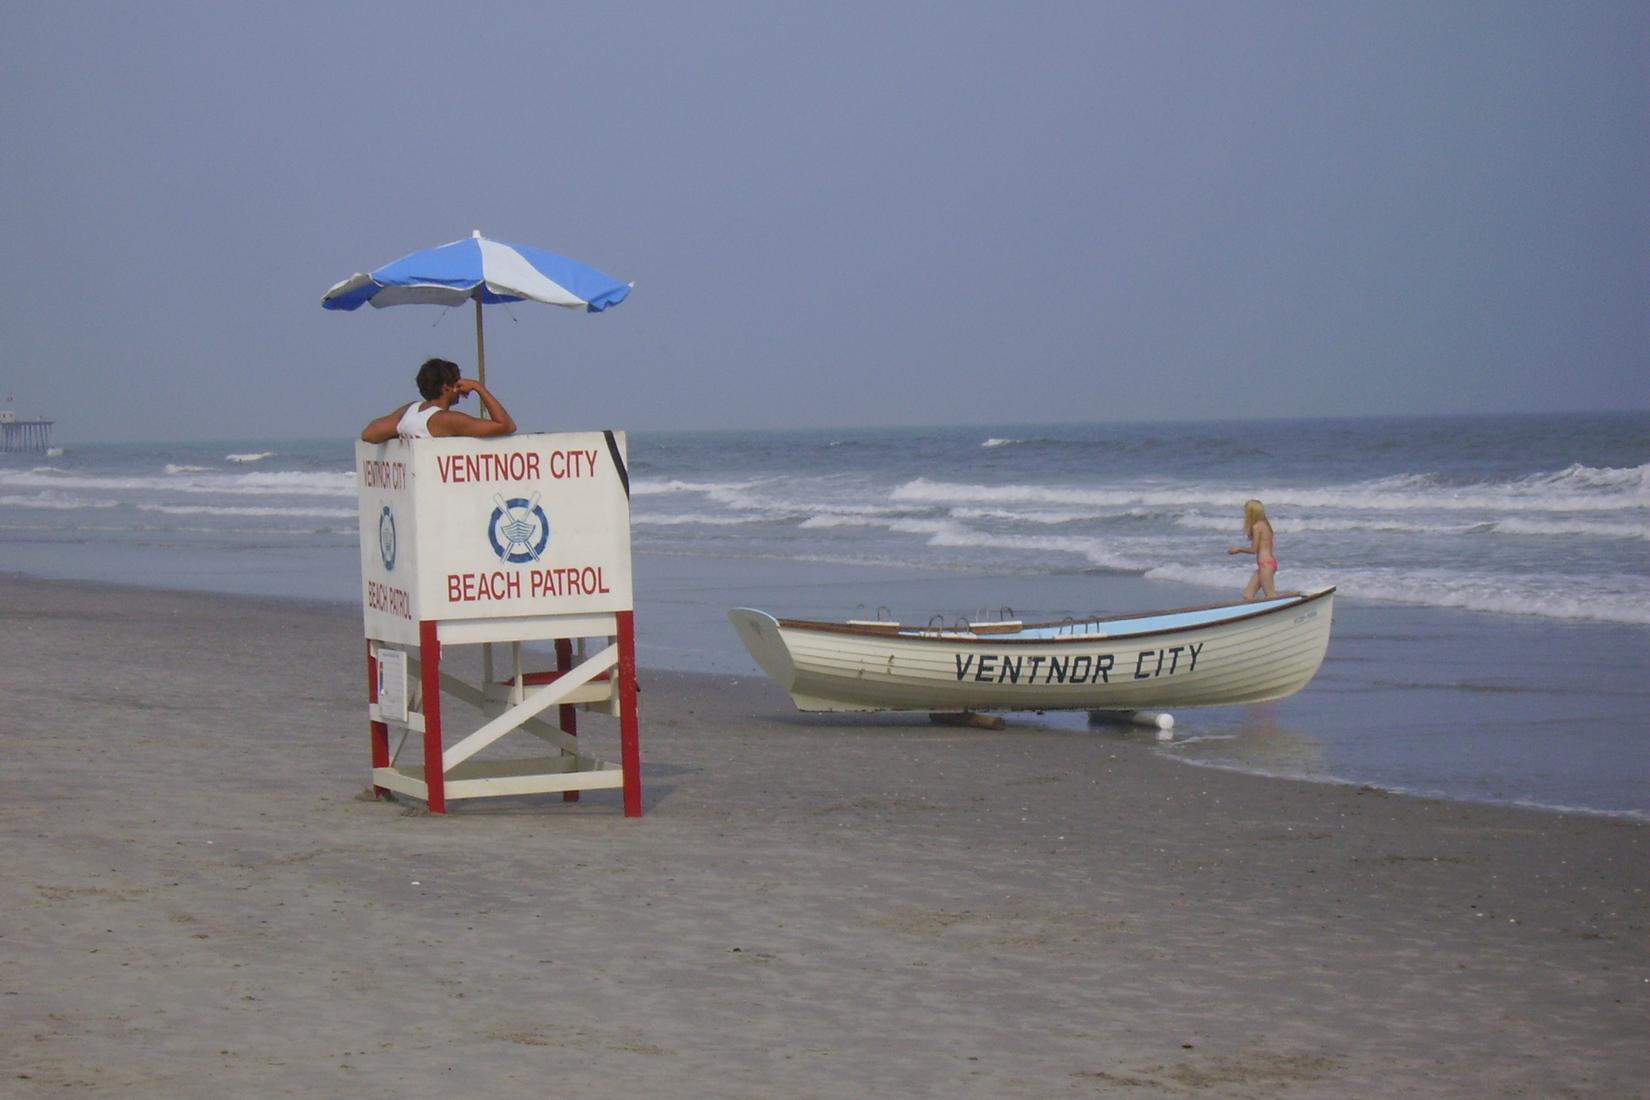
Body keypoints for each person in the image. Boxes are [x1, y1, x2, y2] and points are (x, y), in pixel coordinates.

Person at [359, 357, 517, 443]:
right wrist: (478, 387)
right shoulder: (446, 419)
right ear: (447, 386)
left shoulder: (410, 410)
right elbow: (506, 426)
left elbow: (369, 433)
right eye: (457, 380)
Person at [1227, 498, 1278, 600]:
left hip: (1265, 565)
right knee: (1248, 595)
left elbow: (1254, 549)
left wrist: (1238, 549)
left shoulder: (1257, 527)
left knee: (1271, 596)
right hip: (1268, 563)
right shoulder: (1265, 525)